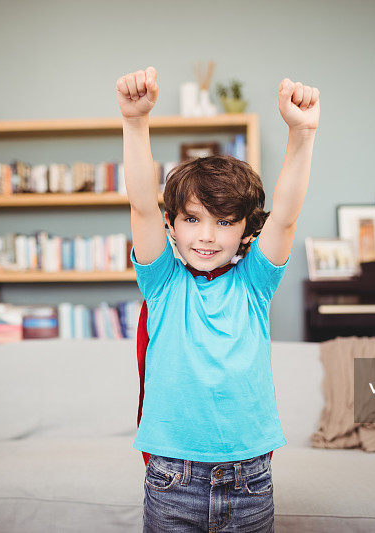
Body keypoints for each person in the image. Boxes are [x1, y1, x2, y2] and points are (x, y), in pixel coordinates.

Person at [117, 66, 319, 533]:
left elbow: (285, 218)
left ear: (248, 229)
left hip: (250, 478)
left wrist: (302, 132)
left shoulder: (254, 283)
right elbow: (142, 204)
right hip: (173, 477)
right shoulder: (163, 281)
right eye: (192, 219)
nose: (207, 236)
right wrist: (134, 122)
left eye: (225, 222)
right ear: (171, 224)